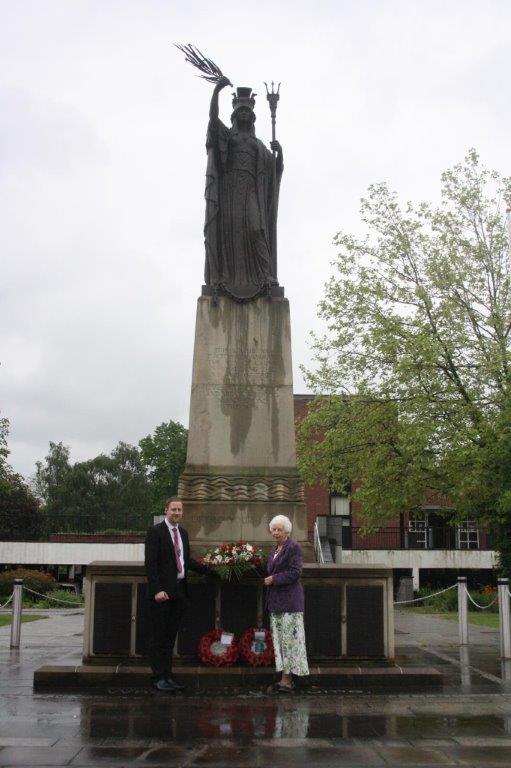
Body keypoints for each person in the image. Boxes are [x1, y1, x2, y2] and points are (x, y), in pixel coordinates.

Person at [204, 76, 283, 301]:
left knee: (256, 228)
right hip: (229, 190)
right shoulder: (228, 138)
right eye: (241, 112)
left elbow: (273, 169)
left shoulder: (258, 145)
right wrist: (216, 92)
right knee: (230, 232)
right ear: (236, 116)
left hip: (251, 190)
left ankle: (266, 275)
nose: (245, 114)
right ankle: (225, 275)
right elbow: (212, 120)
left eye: (248, 112)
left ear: (253, 117)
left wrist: (279, 153)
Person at [144, 496, 207, 691]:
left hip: (180, 590)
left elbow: (185, 560)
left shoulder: (183, 533)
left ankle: (167, 676)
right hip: (162, 593)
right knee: (159, 636)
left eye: (179, 510)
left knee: (170, 637)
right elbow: (151, 564)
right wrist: (157, 589)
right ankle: (157, 677)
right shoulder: (155, 532)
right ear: (166, 510)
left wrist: (211, 567)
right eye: (174, 510)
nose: (177, 513)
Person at [264, 514, 309, 691]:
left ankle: (288, 680)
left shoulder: (293, 547)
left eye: (279, 529)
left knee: (290, 642)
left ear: (287, 531)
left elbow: (296, 572)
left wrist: (274, 579)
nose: (275, 532)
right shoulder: (275, 549)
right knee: (280, 642)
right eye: (273, 529)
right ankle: (284, 677)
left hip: (290, 603)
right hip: (276, 603)